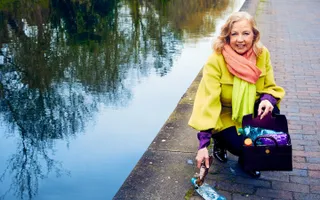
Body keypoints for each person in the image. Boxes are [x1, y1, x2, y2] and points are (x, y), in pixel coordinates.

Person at [188, 11, 285, 177]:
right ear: (227, 37)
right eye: (234, 34)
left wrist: (268, 99)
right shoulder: (216, 60)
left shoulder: (262, 54)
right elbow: (207, 102)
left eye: (246, 33)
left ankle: (248, 160)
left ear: (254, 35)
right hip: (225, 115)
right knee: (241, 145)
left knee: (273, 118)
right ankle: (221, 141)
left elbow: (270, 86)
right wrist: (203, 145)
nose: (240, 40)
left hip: (251, 111)